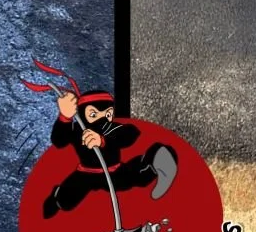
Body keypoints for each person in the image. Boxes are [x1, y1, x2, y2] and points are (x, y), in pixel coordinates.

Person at [42, 87, 178, 219]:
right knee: (66, 201)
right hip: (84, 173)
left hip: (113, 171)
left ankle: (156, 157)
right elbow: (59, 141)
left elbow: (130, 133)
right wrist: (65, 117)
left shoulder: (110, 127)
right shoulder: (78, 129)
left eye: (108, 114)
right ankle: (57, 199)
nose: (102, 119)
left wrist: (102, 140)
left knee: (137, 177)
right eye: (93, 114)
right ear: (83, 113)